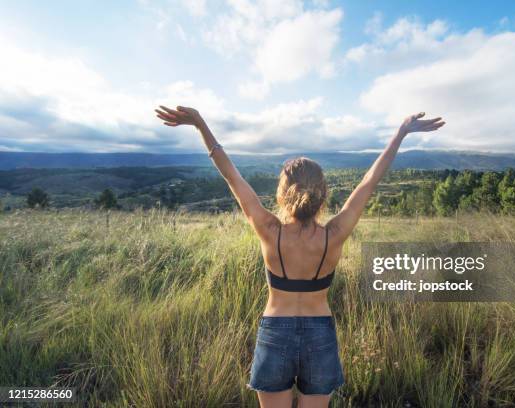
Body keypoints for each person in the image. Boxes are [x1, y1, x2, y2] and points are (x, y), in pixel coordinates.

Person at [155, 105, 444, 407]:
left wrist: (200, 124)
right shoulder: (334, 234)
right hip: (319, 332)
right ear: (323, 194)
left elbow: (232, 177)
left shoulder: (269, 230)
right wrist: (400, 133)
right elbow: (369, 182)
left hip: (275, 331)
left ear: (283, 194)